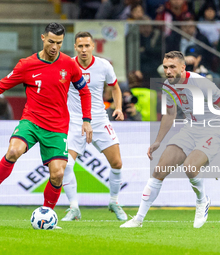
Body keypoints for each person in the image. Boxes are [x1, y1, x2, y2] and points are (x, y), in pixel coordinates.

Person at [0, 23, 92, 215]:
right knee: (14, 151)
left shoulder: (69, 64)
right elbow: (1, 85)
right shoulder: (27, 64)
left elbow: (84, 91)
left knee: (57, 174)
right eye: (51, 41)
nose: (55, 46)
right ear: (42, 38)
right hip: (31, 121)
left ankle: (46, 215)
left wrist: (86, 119)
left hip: (57, 127)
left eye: (59, 43)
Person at [120, 51, 220, 228]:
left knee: (190, 167)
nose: (168, 71)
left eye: (172, 67)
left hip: (213, 129)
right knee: (159, 171)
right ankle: (138, 219)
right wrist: (158, 141)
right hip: (190, 128)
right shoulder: (167, 86)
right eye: (165, 67)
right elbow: (170, 114)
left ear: (182, 67)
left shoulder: (201, 83)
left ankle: (202, 201)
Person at [61, 31, 127, 221]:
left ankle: (114, 202)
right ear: (75, 47)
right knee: (67, 165)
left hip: (99, 120)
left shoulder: (104, 65)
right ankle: (74, 208)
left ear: (92, 46)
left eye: (87, 46)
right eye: (80, 46)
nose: (83, 49)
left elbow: (115, 87)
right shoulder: (67, 65)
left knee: (117, 163)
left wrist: (119, 107)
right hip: (74, 122)